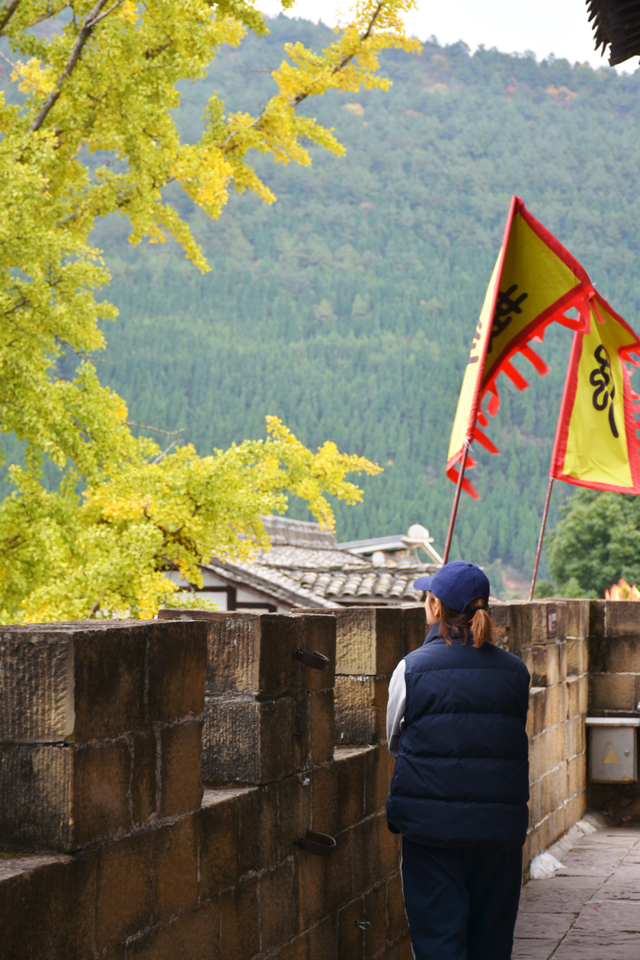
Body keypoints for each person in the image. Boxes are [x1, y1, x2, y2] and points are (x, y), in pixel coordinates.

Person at [386, 560, 530, 960]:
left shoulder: (411, 668)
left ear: (434, 606)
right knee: (491, 943)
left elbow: (394, 739)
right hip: (498, 827)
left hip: (431, 829)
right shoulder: (516, 672)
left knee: (438, 942)